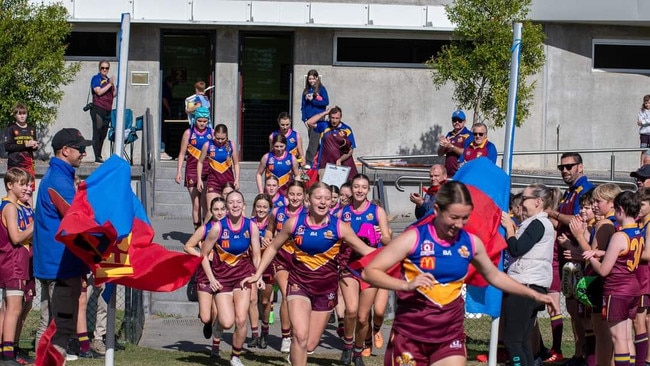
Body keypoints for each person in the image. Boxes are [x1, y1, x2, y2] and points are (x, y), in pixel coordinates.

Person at [362, 181, 556, 366]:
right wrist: (406, 285)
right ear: (437, 210)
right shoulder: (413, 238)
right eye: (454, 217)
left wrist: (534, 294)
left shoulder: (470, 243)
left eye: (465, 218)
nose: (460, 224)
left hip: (450, 335)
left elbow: (494, 276)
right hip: (411, 334)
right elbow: (370, 272)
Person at [242, 182, 374, 366]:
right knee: (300, 336)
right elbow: (273, 246)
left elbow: (367, 250)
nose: (323, 202)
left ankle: (298, 352)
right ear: (308, 200)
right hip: (299, 284)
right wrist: (258, 274)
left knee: (310, 343)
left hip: (326, 288)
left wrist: (400, 254)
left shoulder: (340, 227)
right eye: (318, 197)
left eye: (327, 199)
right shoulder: (294, 223)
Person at [33, 128, 92, 359]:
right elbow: (76, 219)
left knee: (50, 324)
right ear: (65, 151)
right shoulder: (58, 179)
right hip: (59, 266)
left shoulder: (59, 176)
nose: (84, 153)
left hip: (57, 264)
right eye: (80, 149)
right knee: (59, 327)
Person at [200, 191, 262, 366]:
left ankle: (235, 356)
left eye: (238, 202)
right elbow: (203, 255)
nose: (235, 205)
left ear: (243, 206)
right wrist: (211, 279)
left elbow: (256, 256)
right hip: (222, 279)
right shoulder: (218, 227)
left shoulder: (251, 226)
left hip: (243, 277)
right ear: (227, 207)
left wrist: (258, 275)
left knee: (241, 319)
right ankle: (217, 325)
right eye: (231, 202)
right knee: (227, 322)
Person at [544, 152, 595, 363]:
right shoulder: (569, 192)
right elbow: (562, 224)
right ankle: (578, 352)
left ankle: (587, 354)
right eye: (561, 167)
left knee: (583, 311)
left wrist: (553, 213)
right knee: (573, 308)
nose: (565, 170)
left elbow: (576, 220)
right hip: (566, 256)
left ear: (580, 167)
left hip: (579, 254)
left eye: (569, 166)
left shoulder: (585, 189)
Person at [337, 174, 392, 366]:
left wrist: (380, 235)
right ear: (351, 189)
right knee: (350, 311)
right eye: (356, 187)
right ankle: (347, 346)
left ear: (368, 190)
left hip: (370, 268)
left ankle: (358, 351)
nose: (359, 190)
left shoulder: (377, 212)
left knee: (362, 317)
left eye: (363, 187)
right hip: (348, 266)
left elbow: (387, 240)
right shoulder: (342, 213)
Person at [583, 191, 643, 366]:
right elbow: (623, 253)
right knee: (626, 336)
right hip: (632, 286)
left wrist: (591, 256)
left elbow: (603, 270)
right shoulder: (638, 233)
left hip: (617, 289)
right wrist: (600, 252)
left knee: (618, 339)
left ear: (620, 210)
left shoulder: (619, 235)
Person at [500, 183, 556, 366]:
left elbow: (517, 249)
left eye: (525, 198)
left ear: (538, 202)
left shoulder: (538, 223)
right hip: (529, 284)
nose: (521, 203)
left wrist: (509, 229)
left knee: (512, 341)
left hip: (526, 285)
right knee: (522, 341)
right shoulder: (535, 223)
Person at [183, 197, 227, 359]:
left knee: (218, 313)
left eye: (222, 209)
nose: (220, 212)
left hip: (223, 275)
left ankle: (215, 347)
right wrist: (203, 257)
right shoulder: (205, 229)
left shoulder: (230, 227)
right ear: (211, 211)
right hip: (205, 275)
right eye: (216, 209)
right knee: (206, 316)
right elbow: (187, 246)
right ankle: (207, 323)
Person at [0, 168, 33, 365]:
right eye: (22, 184)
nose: (26, 188)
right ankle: (8, 354)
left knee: (9, 308)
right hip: (14, 262)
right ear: (10, 185)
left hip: (18, 262)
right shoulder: (10, 207)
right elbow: (16, 237)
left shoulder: (18, 206)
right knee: (13, 309)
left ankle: (6, 349)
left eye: (28, 184)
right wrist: (34, 225)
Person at [269, 181, 306, 353]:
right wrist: (267, 237)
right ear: (286, 195)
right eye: (292, 194)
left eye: (299, 194)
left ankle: (298, 333)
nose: (295, 198)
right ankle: (285, 337)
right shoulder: (277, 212)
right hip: (281, 259)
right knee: (286, 294)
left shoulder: (308, 214)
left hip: (301, 260)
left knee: (300, 299)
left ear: (304, 196)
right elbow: (269, 230)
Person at [175, 107, 214, 229]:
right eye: (200, 121)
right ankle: (197, 231)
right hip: (191, 170)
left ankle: (205, 232)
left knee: (205, 204)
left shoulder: (211, 133)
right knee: (196, 203)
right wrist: (179, 172)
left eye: (204, 121)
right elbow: (182, 153)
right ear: (195, 120)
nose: (202, 124)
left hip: (207, 170)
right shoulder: (188, 133)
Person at [248, 194, 274, 350]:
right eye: (259, 206)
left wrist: (270, 241)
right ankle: (254, 334)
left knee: (264, 301)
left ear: (269, 208)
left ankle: (265, 331)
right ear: (254, 207)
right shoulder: (249, 223)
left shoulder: (272, 225)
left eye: (264, 207)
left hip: (268, 266)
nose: (261, 209)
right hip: (250, 266)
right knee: (252, 300)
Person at [197, 124, 240, 211]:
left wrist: (237, 180)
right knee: (212, 210)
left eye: (223, 139)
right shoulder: (208, 145)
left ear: (227, 136)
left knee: (228, 209)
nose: (220, 141)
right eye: (218, 138)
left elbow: (236, 164)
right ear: (214, 135)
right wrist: (199, 180)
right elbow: (200, 162)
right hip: (213, 181)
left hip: (228, 181)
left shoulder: (231, 145)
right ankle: (206, 225)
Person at [306, 106, 358, 178]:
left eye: (337, 118)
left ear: (340, 118)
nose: (334, 120)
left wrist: (340, 159)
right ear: (329, 117)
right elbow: (309, 122)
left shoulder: (347, 129)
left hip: (341, 166)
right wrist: (325, 113)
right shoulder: (324, 125)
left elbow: (350, 151)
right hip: (324, 166)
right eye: (332, 118)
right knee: (325, 188)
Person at [4, 103, 38, 190]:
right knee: (15, 190)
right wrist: (25, 145)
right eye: (19, 114)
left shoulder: (32, 128)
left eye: (24, 113)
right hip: (15, 164)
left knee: (29, 190)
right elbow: (7, 146)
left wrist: (35, 146)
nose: (22, 116)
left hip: (29, 164)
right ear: (15, 115)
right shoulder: (11, 128)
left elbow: (34, 146)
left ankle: (30, 204)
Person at [301, 70, 329, 168]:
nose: (311, 80)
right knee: (314, 141)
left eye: (313, 78)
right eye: (309, 79)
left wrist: (313, 100)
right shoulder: (306, 90)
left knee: (313, 140)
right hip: (308, 119)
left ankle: (308, 161)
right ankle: (319, 159)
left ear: (317, 78)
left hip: (318, 119)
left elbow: (325, 102)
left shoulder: (321, 89)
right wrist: (304, 119)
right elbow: (303, 106)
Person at [89, 60, 116, 163]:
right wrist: (109, 84)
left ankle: (99, 154)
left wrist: (115, 86)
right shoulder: (96, 78)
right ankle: (96, 156)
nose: (105, 70)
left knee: (104, 133)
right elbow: (98, 92)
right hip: (98, 108)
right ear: (99, 68)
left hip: (107, 109)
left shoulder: (108, 80)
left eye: (107, 68)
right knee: (97, 132)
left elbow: (112, 95)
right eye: (103, 68)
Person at [437, 110, 472, 177]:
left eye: (459, 120)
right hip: (449, 174)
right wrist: (443, 146)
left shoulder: (469, 135)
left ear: (464, 121)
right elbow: (439, 154)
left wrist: (451, 146)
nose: (457, 122)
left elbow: (467, 153)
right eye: (454, 120)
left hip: (461, 173)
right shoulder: (449, 135)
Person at [160, 75, 175, 161]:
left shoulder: (165, 88)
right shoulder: (166, 88)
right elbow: (164, 99)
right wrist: (169, 110)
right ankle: (162, 151)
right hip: (163, 114)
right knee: (163, 132)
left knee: (165, 132)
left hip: (164, 113)